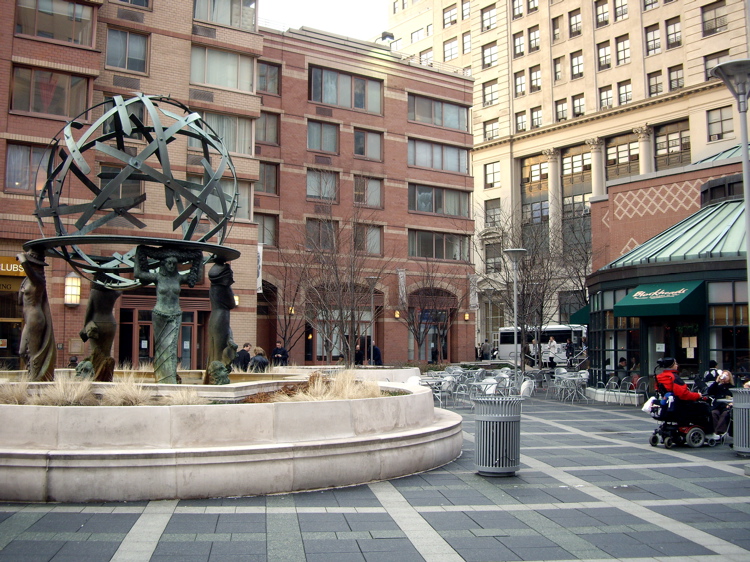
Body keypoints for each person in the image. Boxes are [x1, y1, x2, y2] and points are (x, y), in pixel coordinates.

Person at [134, 246, 203, 384]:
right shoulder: (158, 277)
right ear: (163, 264)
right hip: (159, 313)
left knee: (171, 348)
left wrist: (198, 258)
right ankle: (162, 378)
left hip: (175, 314)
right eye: (169, 263)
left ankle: (168, 378)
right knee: (161, 347)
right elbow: (138, 274)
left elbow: (198, 277)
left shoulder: (178, 278)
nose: (172, 266)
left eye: (174, 263)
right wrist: (138, 254)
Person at [656, 357, 718, 439]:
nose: (677, 365)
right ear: (672, 365)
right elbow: (683, 394)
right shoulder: (674, 377)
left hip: (669, 405)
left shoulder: (659, 376)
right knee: (704, 407)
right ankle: (709, 432)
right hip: (680, 405)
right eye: (676, 364)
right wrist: (697, 395)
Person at [17, 249, 55, 381]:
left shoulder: (38, 280)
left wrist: (22, 258)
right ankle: (31, 375)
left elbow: (26, 267)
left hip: (35, 318)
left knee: (33, 352)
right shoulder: (27, 280)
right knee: (22, 351)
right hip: (28, 319)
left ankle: (35, 380)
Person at [80, 275, 121, 382]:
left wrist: (85, 327)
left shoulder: (94, 292)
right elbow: (121, 288)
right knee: (106, 354)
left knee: (96, 352)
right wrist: (116, 274)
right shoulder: (113, 293)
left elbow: (89, 311)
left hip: (97, 323)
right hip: (110, 324)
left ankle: (96, 376)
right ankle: (106, 377)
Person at [205, 260, 238, 381]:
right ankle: (216, 377)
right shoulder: (224, 288)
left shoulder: (213, 287)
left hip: (214, 318)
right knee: (219, 349)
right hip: (222, 318)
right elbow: (232, 303)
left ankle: (211, 376)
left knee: (214, 348)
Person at [707, 370, 734, 434]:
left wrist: (731, 404)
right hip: (718, 407)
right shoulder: (718, 387)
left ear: (730, 377)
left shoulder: (732, 388)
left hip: (727, 407)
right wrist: (716, 382)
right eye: (723, 375)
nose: (725, 377)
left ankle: (718, 432)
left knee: (725, 414)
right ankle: (717, 432)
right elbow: (709, 392)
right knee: (713, 413)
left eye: (727, 375)